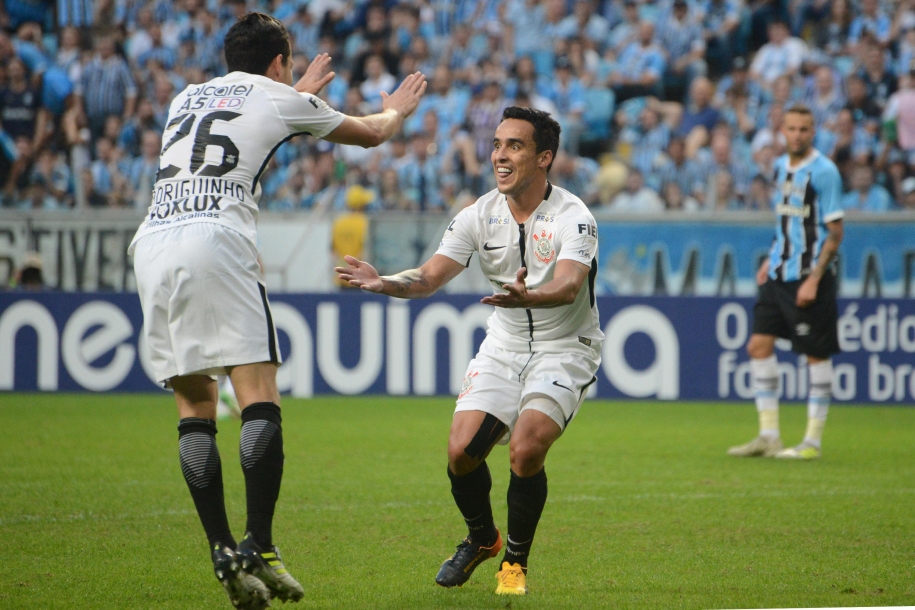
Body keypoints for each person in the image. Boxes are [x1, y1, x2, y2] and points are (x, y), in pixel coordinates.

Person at [128, 13, 426, 610]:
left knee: (195, 404)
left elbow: (245, 119)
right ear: (279, 62)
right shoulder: (277, 95)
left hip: (153, 244)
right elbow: (371, 133)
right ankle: (260, 543)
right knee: (259, 397)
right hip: (216, 240)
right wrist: (395, 108)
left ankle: (221, 548)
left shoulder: (187, 96)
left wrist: (295, 93)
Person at [336, 107, 602, 596]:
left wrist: (532, 296)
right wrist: (385, 282)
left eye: (515, 146)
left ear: (544, 158)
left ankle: (514, 564)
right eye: (498, 145)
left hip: (565, 347)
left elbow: (567, 286)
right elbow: (428, 278)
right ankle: (483, 539)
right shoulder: (478, 215)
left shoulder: (574, 217)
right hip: (504, 345)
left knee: (525, 449)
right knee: (461, 453)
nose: (500, 155)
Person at [728, 104, 844, 461]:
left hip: (809, 279)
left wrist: (814, 278)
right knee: (758, 347)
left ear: (813, 132)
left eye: (804, 129)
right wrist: (771, 258)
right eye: (791, 128)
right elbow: (786, 223)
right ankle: (769, 436)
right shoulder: (780, 167)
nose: (797, 134)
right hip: (778, 274)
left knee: (815, 356)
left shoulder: (825, 172)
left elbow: (835, 232)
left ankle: (812, 441)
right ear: (783, 132)